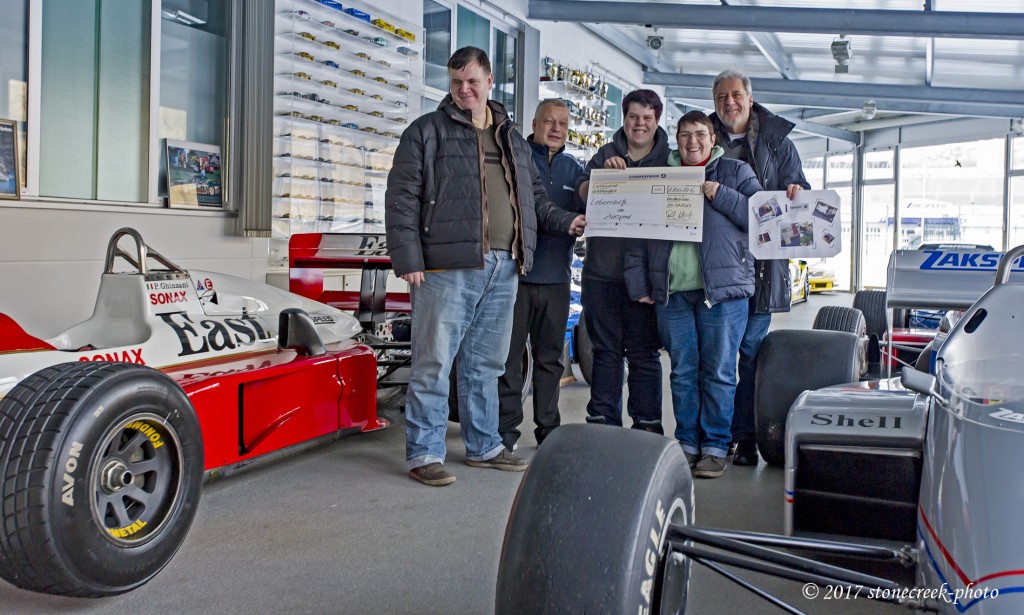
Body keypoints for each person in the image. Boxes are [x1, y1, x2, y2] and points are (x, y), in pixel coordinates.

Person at [385, 47, 586, 487]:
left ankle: (483, 445)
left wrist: (567, 221)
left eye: (473, 81)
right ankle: (425, 451)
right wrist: (408, 258)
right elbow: (401, 197)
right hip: (444, 268)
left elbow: (534, 199)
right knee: (434, 363)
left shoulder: (511, 139)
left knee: (487, 364)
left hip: (504, 265)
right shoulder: (426, 132)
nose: (465, 90)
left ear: (490, 81)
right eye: (457, 82)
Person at [624, 110, 762, 479]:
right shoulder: (662, 175)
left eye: (700, 134)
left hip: (722, 294)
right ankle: (687, 442)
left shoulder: (735, 172)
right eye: (685, 135)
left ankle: (715, 445)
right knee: (683, 372)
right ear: (677, 139)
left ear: (713, 138)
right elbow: (638, 231)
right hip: (674, 294)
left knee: (718, 371)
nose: (692, 142)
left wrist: (723, 195)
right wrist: (640, 284)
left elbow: (762, 218)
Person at [709, 69, 810, 467]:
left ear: (750, 99)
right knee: (716, 357)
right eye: (722, 97)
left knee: (749, 354)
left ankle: (745, 437)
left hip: (762, 268)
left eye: (736, 95)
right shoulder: (701, 136)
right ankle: (714, 439)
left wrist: (798, 192)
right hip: (717, 268)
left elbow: (800, 194)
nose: (729, 103)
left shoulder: (778, 142)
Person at [576, 89, 668, 433]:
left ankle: (648, 422)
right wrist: (602, 178)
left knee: (644, 352)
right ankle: (603, 420)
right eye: (633, 117)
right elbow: (582, 193)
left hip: (646, 277)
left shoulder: (670, 161)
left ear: (656, 121)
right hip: (602, 273)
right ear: (624, 119)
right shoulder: (605, 154)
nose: (639, 124)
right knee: (605, 350)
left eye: (646, 118)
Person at [497, 99, 584, 451]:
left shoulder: (574, 170)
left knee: (550, 360)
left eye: (562, 123)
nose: (556, 128)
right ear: (534, 124)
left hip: (557, 280)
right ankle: (505, 432)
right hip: (517, 278)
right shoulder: (517, 158)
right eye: (549, 121)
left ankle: (548, 430)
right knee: (510, 359)